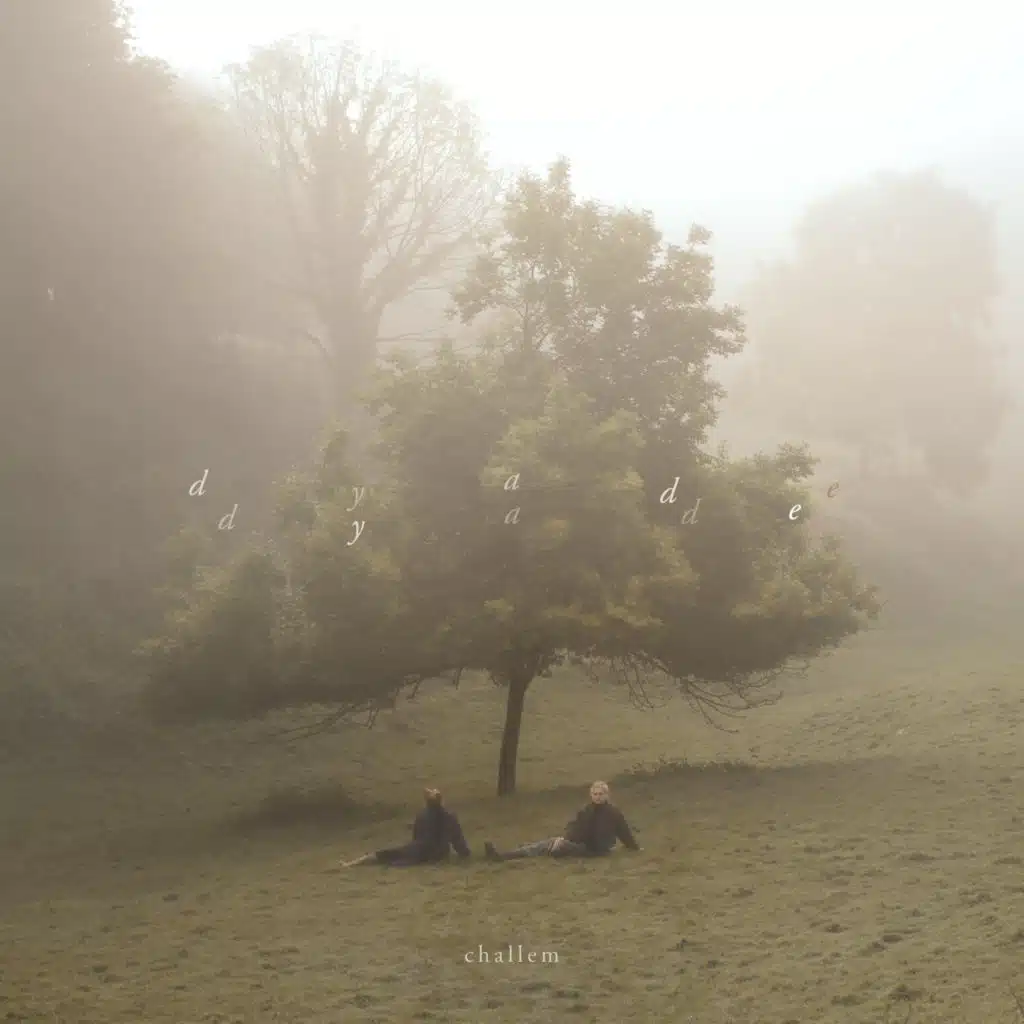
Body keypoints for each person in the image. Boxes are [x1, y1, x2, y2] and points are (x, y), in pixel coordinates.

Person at [483, 780, 640, 862]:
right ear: (591, 795)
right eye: (595, 794)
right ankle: (508, 854)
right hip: (582, 846)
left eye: (600, 794)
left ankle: (509, 855)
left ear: (606, 795)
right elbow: (575, 828)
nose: (598, 797)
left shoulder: (613, 813)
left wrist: (635, 848)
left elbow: (624, 833)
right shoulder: (586, 810)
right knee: (548, 844)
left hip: (595, 851)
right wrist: (565, 838)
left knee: (551, 845)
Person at [342, 788, 471, 867]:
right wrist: (464, 853)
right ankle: (352, 864)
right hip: (437, 855)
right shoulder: (450, 817)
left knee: (383, 855)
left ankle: (352, 863)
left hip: (418, 851)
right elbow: (458, 840)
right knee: (389, 856)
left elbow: (416, 837)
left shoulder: (422, 815)